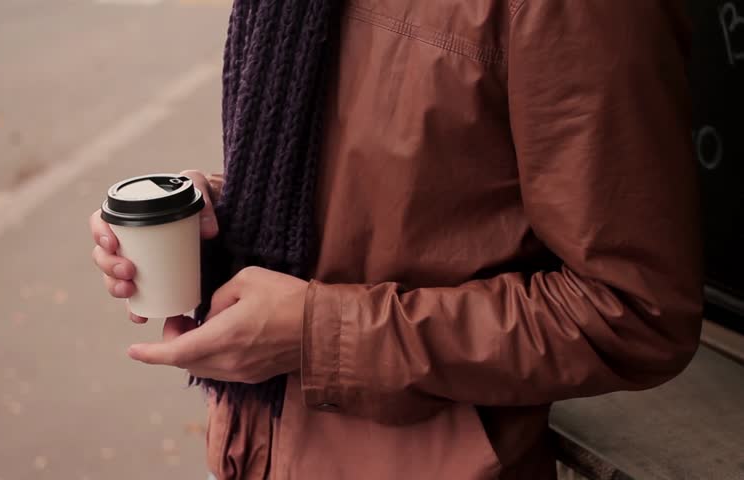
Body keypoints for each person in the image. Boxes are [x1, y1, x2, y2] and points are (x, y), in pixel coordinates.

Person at [89, 1, 702, 478]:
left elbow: (634, 309)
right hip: (256, 447)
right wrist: (217, 213)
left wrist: (316, 333)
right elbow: (369, 189)